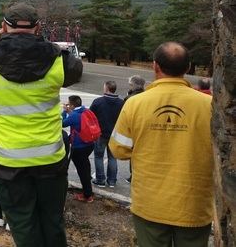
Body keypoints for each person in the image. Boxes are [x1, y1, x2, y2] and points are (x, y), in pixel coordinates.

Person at [0, 2, 82, 246]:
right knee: (53, 221)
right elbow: (75, 70)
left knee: (23, 224)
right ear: (38, 28)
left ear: (3, 27)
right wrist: (42, 43)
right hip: (50, 159)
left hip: (7, 163)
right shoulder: (58, 59)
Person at [109, 42, 213, 247]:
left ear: (155, 66)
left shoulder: (135, 103)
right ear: (188, 67)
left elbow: (118, 150)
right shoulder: (209, 105)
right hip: (194, 204)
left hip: (150, 203)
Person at [90, 81, 124, 188]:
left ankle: (100, 179)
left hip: (101, 134)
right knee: (112, 157)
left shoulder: (98, 102)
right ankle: (112, 180)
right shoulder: (121, 103)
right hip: (114, 134)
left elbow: (90, 116)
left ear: (107, 88)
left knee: (99, 156)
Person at [62, 95, 95, 202]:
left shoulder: (74, 116)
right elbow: (77, 119)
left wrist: (64, 112)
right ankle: (88, 188)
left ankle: (87, 195)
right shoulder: (85, 111)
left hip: (79, 147)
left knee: (82, 171)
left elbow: (62, 123)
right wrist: (69, 111)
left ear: (71, 105)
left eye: (68, 103)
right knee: (85, 166)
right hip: (89, 144)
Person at [124, 74, 145, 183]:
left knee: (134, 154)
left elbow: (124, 116)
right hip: (145, 129)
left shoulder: (130, 99)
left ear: (133, 85)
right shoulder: (148, 96)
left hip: (134, 130)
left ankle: (134, 175)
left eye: (130, 85)